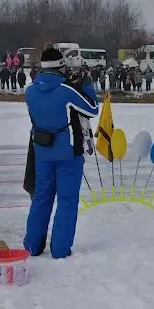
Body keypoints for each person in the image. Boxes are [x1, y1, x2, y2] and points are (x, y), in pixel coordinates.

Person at [23, 47, 98, 259]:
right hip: (68, 153)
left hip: (42, 152)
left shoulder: (30, 91)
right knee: (66, 199)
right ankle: (60, 249)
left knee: (41, 198)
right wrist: (85, 85)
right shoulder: (67, 90)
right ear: (60, 67)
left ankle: (33, 246)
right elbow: (92, 108)